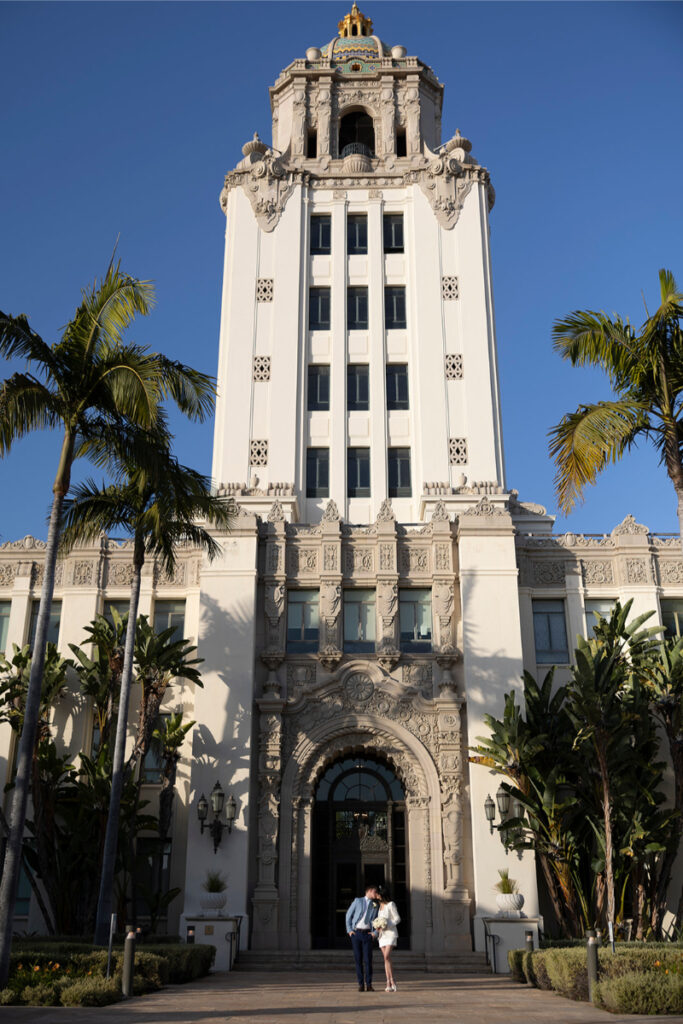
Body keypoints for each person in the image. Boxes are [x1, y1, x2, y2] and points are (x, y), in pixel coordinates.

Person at [345, 884, 379, 991]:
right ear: (369, 891)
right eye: (375, 892)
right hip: (356, 934)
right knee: (358, 959)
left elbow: (378, 919)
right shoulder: (358, 901)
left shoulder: (375, 904)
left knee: (368, 960)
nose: (376, 894)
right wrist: (350, 930)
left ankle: (369, 984)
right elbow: (348, 915)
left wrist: (375, 933)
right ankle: (360, 984)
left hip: (368, 935)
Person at [374, 887, 401, 992]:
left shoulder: (391, 904)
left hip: (390, 934)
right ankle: (389, 981)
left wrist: (387, 925)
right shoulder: (379, 907)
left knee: (386, 956)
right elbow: (378, 920)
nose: (376, 896)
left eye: (378, 894)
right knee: (386, 959)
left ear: (382, 895)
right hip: (382, 936)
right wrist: (378, 926)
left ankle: (392, 980)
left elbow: (397, 919)